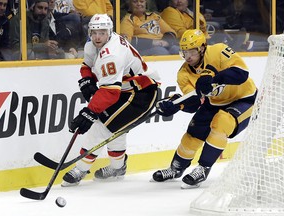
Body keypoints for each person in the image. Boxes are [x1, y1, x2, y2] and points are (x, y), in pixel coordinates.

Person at [61, 14, 159, 186]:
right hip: (124, 91)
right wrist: (87, 79)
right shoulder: (92, 44)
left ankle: (81, 168)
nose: (97, 37)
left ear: (110, 32)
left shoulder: (111, 54)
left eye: (102, 32)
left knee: (100, 126)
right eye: (94, 32)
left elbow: (109, 93)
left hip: (141, 94)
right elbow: (87, 65)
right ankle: (118, 167)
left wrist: (89, 112)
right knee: (115, 128)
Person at [152, 29, 257, 188]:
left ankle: (203, 168)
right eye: (184, 52)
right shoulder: (184, 74)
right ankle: (176, 168)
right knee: (193, 133)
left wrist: (213, 76)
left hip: (243, 99)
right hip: (214, 102)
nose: (188, 57)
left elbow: (241, 73)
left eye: (192, 51)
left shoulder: (219, 50)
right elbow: (194, 102)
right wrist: (177, 105)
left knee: (222, 122)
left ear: (202, 48)